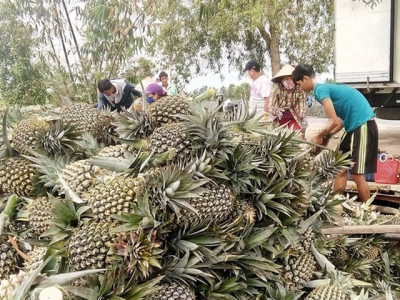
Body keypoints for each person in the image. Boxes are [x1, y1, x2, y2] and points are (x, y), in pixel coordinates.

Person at [292, 64, 378, 203]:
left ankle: (366, 211)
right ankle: (336, 205)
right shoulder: (325, 89)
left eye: (299, 83)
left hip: (363, 125)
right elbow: (341, 122)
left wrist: (320, 135)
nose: (300, 88)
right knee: (339, 168)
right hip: (353, 126)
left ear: (306, 78)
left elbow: (335, 121)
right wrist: (327, 136)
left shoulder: (321, 90)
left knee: (356, 175)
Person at [269, 64, 308, 137]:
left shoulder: (299, 89)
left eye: (291, 78)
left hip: (293, 115)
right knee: (279, 136)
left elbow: (302, 105)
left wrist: (302, 114)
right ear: (282, 80)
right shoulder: (276, 88)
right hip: (280, 115)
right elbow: (270, 106)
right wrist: (276, 111)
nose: (290, 81)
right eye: (286, 79)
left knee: (297, 135)